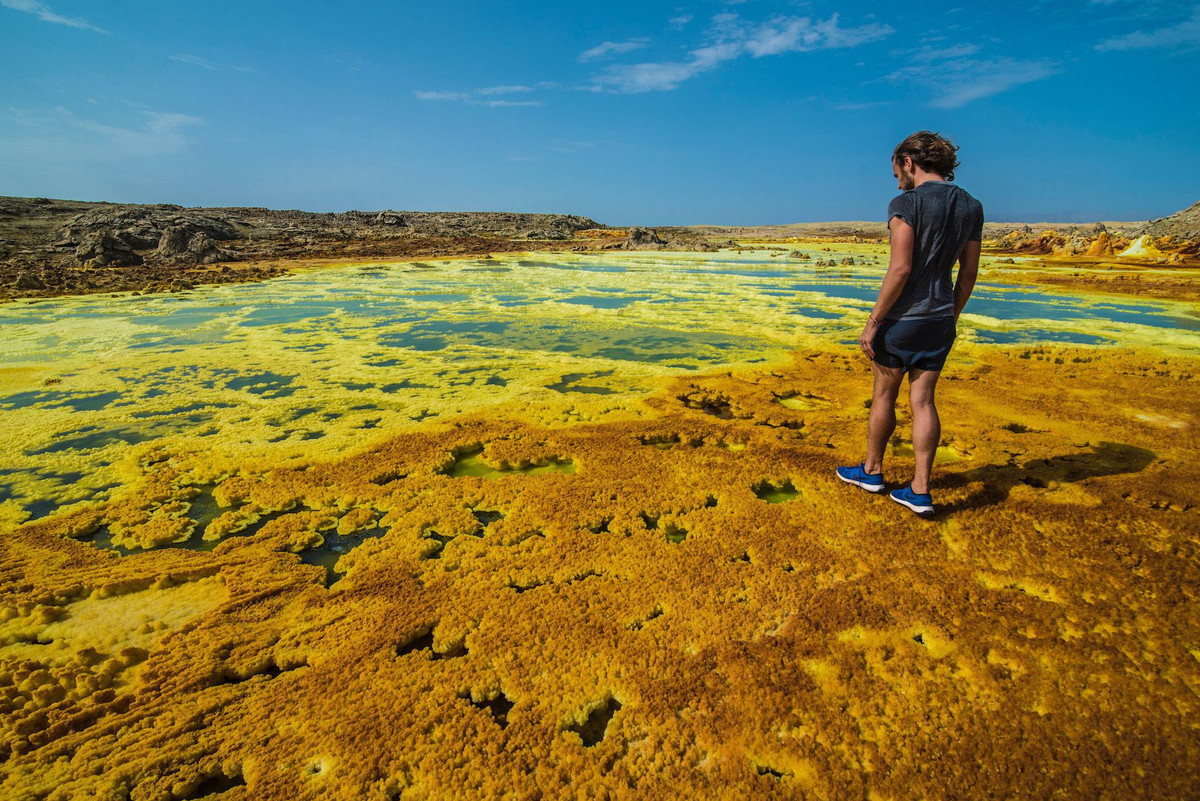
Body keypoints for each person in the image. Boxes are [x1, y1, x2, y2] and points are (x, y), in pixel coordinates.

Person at [836, 131, 983, 517]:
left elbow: (900, 268)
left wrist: (873, 322)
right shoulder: (971, 205)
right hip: (939, 320)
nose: (896, 179)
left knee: (884, 396)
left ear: (908, 162)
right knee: (923, 401)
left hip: (902, 319)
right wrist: (951, 314)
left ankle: (872, 471)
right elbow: (969, 273)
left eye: (896, 169)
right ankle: (920, 489)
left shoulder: (906, 203)